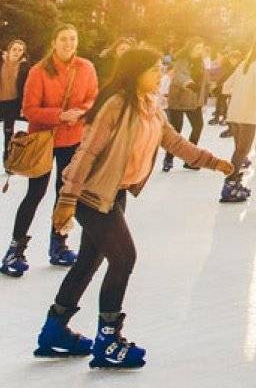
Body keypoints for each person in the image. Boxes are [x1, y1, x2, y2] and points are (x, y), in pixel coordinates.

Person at [34, 46, 234, 368]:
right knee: (124, 258)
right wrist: (66, 201)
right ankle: (108, 341)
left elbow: (173, 142)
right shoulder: (117, 105)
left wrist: (213, 162)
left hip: (115, 194)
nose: (160, 75)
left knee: (88, 262)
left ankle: (54, 330)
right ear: (136, 72)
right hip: (91, 196)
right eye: (154, 69)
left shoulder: (151, 106)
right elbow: (87, 153)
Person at [2, 25, 97, 278]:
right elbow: (29, 109)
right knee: (35, 193)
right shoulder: (39, 71)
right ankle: (15, 249)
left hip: (73, 138)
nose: (68, 43)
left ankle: (59, 244)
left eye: (72, 39)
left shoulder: (86, 68)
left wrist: (83, 112)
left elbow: (92, 98)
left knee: (64, 194)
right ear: (54, 42)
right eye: (63, 39)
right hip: (43, 139)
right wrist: (59, 115)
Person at [219, 33, 256, 203]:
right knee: (242, 151)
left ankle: (234, 181)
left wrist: (239, 93)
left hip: (235, 113)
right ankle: (229, 184)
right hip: (249, 114)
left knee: (239, 150)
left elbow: (226, 87)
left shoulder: (243, 64)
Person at [160, 40, 207, 173]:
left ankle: (190, 159)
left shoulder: (201, 62)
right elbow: (180, 75)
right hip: (179, 100)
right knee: (176, 131)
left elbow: (203, 82)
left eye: (201, 47)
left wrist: (202, 99)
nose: (200, 49)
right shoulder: (182, 60)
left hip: (194, 101)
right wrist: (189, 83)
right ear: (190, 47)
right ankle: (168, 159)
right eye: (197, 46)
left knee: (198, 126)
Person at [1, 37, 30, 154]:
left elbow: (27, 88)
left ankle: (7, 161)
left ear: (23, 53)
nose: (16, 52)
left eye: (20, 50)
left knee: (8, 133)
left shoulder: (24, 68)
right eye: (14, 49)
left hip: (12, 104)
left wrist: (24, 105)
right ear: (9, 50)